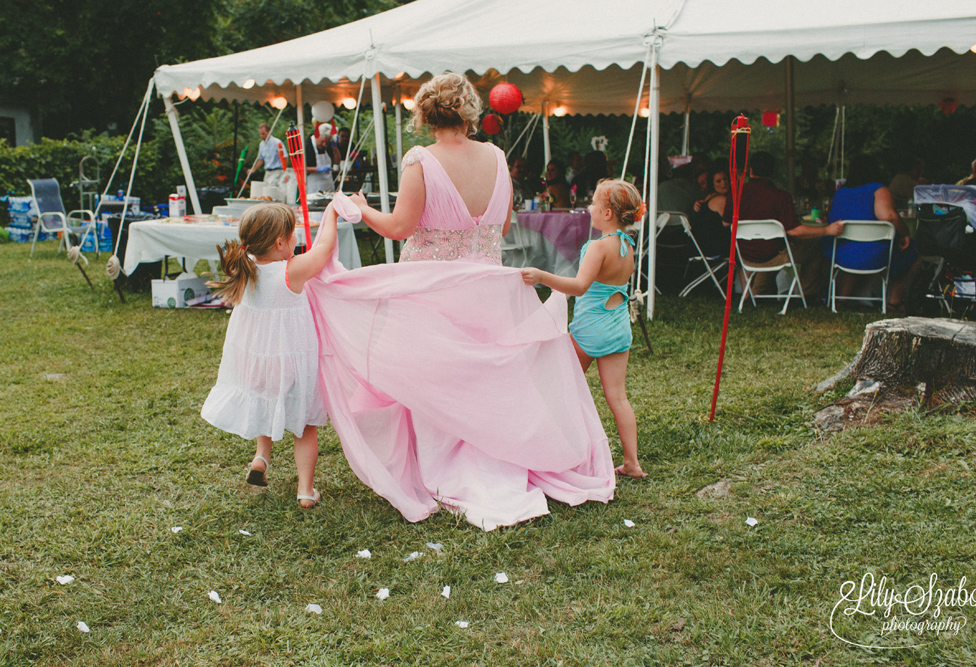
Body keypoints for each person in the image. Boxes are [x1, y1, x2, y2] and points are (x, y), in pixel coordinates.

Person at [302, 72, 614, 530]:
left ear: (425, 115)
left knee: (434, 378)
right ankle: (501, 453)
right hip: (489, 284)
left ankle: (443, 465)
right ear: (469, 111)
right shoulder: (497, 156)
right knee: (484, 381)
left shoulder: (420, 160)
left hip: (433, 287)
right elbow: (504, 225)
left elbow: (400, 228)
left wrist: (361, 205)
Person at [201, 201, 340, 509]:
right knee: (304, 425)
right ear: (280, 243)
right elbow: (325, 247)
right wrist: (331, 213)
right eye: (293, 235)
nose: (297, 241)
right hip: (290, 360)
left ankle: (261, 458)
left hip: (256, 361)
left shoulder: (247, 266)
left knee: (266, 404)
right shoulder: (292, 270)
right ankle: (305, 490)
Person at [521, 179, 646, 479]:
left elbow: (579, 287)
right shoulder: (626, 246)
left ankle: (554, 453)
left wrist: (542, 276)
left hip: (590, 331)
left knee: (560, 389)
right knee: (618, 397)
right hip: (618, 330)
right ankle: (632, 462)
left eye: (592, 203)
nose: (588, 207)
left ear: (606, 214)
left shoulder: (598, 247)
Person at [724, 151, 844, 298]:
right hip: (773, 254)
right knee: (814, 248)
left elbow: (726, 222)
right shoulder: (780, 196)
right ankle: (807, 294)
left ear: (750, 170)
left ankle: (758, 292)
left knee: (774, 250)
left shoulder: (736, 193)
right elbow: (794, 230)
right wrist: (827, 230)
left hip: (744, 253)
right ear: (772, 172)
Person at [822, 154, 920, 309]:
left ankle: (842, 299)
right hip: (871, 253)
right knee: (913, 251)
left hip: (839, 253)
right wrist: (905, 232)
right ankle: (894, 300)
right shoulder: (878, 190)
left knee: (853, 246)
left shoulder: (840, 193)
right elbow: (888, 216)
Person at [689, 165, 730, 257]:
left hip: (700, 248)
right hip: (713, 249)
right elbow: (730, 223)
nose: (724, 183)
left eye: (725, 179)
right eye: (718, 181)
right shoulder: (721, 200)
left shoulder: (707, 198)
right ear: (712, 184)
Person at [247, 122, 287, 188]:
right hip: (267, 172)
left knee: (272, 189)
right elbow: (261, 159)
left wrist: (284, 171)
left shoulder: (277, 143)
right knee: (265, 189)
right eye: (260, 134)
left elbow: (285, 157)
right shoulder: (262, 144)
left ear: (269, 132)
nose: (261, 136)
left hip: (277, 171)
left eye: (263, 134)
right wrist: (253, 169)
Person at [304, 123, 341, 194]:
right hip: (313, 187)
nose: (324, 144)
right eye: (322, 141)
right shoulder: (307, 145)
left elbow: (337, 162)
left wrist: (335, 149)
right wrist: (317, 169)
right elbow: (299, 169)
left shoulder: (328, 146)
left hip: (328, 185)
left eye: (327, 142)